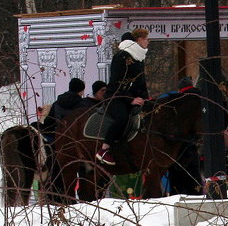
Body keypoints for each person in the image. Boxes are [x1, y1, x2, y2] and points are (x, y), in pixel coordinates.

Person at [96, 29, 150, 166]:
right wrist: (130, 99)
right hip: (115, 97)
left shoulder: (138, 58)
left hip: (132, 97)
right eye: (145, 38)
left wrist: (146, 99)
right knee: (122, 118)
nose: (148, 41)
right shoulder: (121, 57)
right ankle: (104, 149)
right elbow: (117, 83)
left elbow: (140, 83)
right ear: (137, 41)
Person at [43, 78, 87, 142]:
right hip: (76, 140)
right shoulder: (83, 106)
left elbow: (48, 122)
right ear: (81, 91)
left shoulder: (56, 103)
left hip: (58, 138)